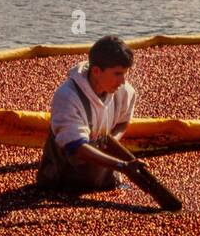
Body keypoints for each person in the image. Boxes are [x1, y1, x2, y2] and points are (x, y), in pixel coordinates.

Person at [38, 35, 150, 193]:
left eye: (125, 73)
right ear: (96, 71)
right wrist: (122, 166)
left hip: (105, 183)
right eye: (117, 74)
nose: (123, 81)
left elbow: (122, 122)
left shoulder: (124, 92)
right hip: (60, 184)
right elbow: (76, 147)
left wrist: (110, 140)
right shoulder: (68, 97)